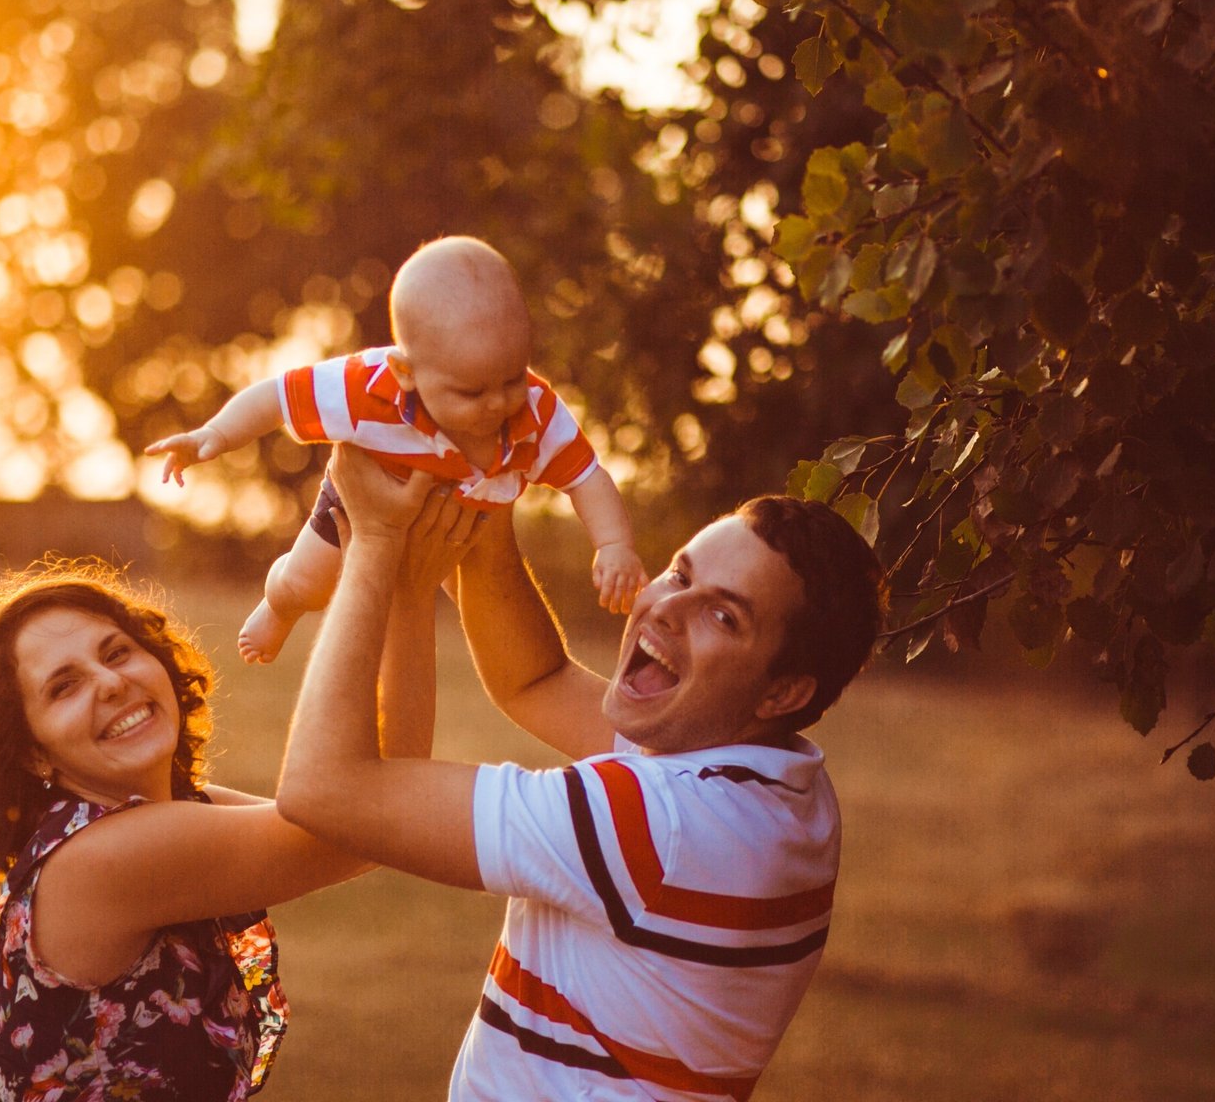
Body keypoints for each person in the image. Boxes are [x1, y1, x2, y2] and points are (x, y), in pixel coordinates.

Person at [276, 446, 885, 1100]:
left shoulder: (658, 825)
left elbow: (323, 789)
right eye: (679, 575)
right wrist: (485, 499)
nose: (666, 609)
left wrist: (374, 543)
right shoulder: (777, 786)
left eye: (724, 616)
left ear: (784, 692)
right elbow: (534, 680)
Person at [0, 531, 471, 1102]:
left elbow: (373, 821)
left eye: (117, 652)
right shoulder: (103, 857)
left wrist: (407, 583)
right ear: (31, 752)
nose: (111, 682)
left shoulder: (169, 813)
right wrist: (378, 548)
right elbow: (366, 823)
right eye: (64, 687)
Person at [143, 234, 647, 663]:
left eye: (512, 378)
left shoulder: (534, 410)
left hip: (459, 523)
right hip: (359, 506)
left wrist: (613, 545)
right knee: (307, 585)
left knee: (471, 618)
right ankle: (279, 606)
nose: (497, 403)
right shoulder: (367, 387)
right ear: (406, 372)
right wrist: (215, 435)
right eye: (471, 392)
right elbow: (277, 397)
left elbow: (586, 477)